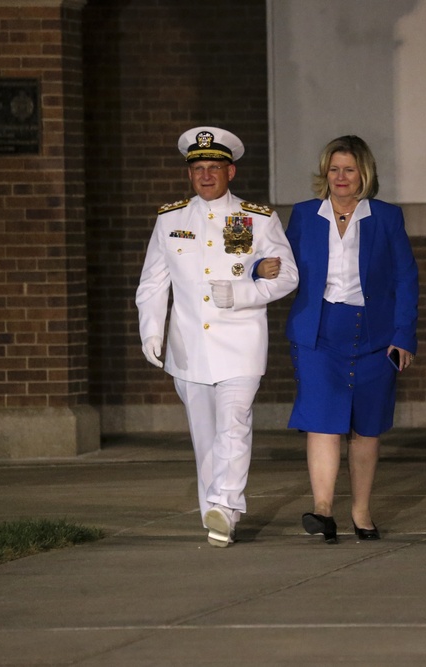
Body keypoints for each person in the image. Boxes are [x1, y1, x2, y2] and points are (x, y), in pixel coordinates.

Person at [136, 126, 298, 547]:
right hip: (189, 345)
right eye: (198, 169)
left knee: (234, 425)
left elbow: (288, 277)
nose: (205, 176)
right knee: (204, 436)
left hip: (241, 342)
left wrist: (243, 293)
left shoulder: (256, 219)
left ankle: (225, 506)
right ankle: (215, 511)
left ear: (232, 171)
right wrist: (152, 330)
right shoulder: (170, 219)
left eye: (214, 168)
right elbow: (153, 282)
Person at [285, 135, 419, 544]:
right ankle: (323, 509)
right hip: (319, 332)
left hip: (374, 334)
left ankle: (360, 512)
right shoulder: (305, 215)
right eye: (334, 168)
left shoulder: (386, 217)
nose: (341, 177)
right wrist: (259, 271)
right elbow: (284, 267)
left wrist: (403, 335)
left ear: (364, 174)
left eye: (349, 169)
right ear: (325, 172)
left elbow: (405, 278)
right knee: (322, 422)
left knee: (365, 428)